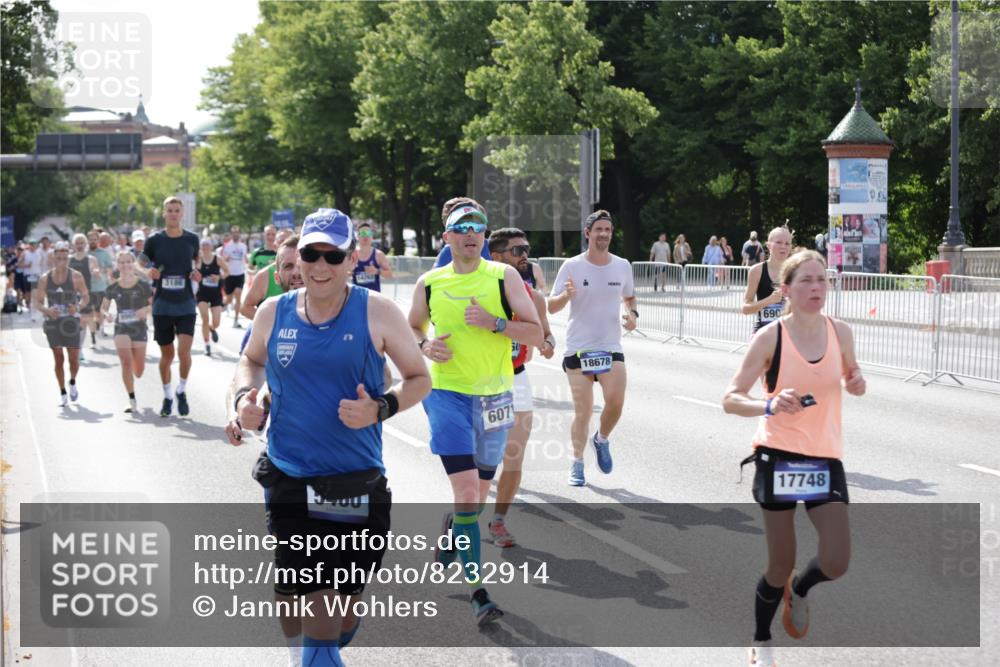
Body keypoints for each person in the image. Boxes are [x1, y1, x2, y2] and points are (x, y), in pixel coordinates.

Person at [225, 208, 430, 667]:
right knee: (294, 593)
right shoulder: (273, 311)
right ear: (298, 255)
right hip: (289, 475)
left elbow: (419, 378)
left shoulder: (378, 312)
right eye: (310, 254)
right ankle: (307, 657)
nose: (319, 267)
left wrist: (380, 408)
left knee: (338, 611)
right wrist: (243, 399)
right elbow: (251, 362)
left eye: (332, 256)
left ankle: (320, 648)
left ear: (352, 257)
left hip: (353, 482)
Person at [722, 249, 866, 667]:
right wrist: (768, 404)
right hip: (778, 456)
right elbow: (730, 399)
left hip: (823, 457)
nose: (816, 287)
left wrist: (856, 382)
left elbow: (851, 376)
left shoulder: (840, 332)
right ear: (786, 289)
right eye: (805, 280)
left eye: (822, 279)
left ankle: (799, 590)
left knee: (837, 561)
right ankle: (761, 640)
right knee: (779, 562)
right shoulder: (770, 338)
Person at [408, 197, 542, 625]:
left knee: (478, 495)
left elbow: (536, 333)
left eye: (477, 227)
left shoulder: (503, 277)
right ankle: (479, 592)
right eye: (462, 227)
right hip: (446, 395)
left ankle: (455, 527)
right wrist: (424, 345)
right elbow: (412, 329)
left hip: (497, 397)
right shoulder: (429, 282)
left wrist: (496, 323)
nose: (470, 233)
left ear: (485, 235)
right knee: (467, 492)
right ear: (446, 236)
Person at [548, 210, 636, 487]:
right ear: (588, 233)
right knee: (583, 412)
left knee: (616, 401)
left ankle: (601, 439)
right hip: (578, 349)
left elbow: (630, 297)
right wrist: (566, 295)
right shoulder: (572, 266)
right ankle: (577, 463)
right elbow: (551, 306)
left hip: (610, 346)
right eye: (598, 229)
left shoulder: (622, 266)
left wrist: (633, 316)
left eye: (608, 230)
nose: (603, 235)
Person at [485, 227, 556, 548]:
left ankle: (498, 521)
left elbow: (546, 333)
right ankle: (461, 516)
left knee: (513, 456)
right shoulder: (480, 290)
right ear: (497, 256)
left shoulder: (533, 296)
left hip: (517, 378)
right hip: (481, 382)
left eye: (526, 248)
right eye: (517, 250)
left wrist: (548, 343)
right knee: (481, 460)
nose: (524, 255)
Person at [139, 196, 202, 418]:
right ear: (164, 213)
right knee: (167, 355)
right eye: (169, 210)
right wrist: (149, 272)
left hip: (185, 303)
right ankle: (167, 396)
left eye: (177, 210)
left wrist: (196, 272)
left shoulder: (192, 239)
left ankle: (181, 390)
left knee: (184, 352)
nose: (173, 214)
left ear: (182, 213)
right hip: (162, 306)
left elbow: (198, 262)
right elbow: (141, 261)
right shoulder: (155, 240)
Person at [34, 242, 89, 406]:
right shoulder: (45, 279)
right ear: (53, 258)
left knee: (73, 360)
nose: (61, 261)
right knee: (58, 360)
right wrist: (48, 311)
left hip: (71, 323)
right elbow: (37, 303)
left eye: (65, 258)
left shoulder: (76, 276)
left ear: (68, 258)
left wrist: (77, 307)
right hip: (53, 324)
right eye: (58, 258)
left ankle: (72, 382)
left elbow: (86, 297)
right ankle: (63, 393)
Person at [101, 251, 153, 413]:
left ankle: (134, 373)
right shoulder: (112, 287)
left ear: (133, 264)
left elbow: (153, 305)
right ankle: (132, 400)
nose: (125, 265)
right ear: (118, 265)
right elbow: (103, 307)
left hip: (139, 328)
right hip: (121, 328)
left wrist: (145, 309)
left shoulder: (143, 285)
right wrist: (107, 315)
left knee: (139, 371)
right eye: (121, 262)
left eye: (128, 262)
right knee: (125, 363)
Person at [742, 227, 793, 335]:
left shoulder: (797, 271)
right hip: (763, 333)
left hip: (789, 335)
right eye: (778, 242)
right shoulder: (756, 271)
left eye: (787, 243)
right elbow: (745, 308)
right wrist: (769, 301)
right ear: (768, 245)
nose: (783, 246)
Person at [196, 238, 229, 357]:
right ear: (200, 247)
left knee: (216, 322)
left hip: (215, 294)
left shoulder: (217, 259)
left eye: (207, 245)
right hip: (202, 293)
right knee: (204, 318)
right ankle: (207, 345)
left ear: (211, 247)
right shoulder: (198, 260)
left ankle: (211, 328)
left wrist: (219, 277)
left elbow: (227, 271)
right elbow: (192, 273)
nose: (205, 248)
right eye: (203, 246)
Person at [68, 234, 100, 356]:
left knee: (84, 319)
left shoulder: (91, 259)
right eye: (77, 243)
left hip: (86, 293)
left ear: (85, 244)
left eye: (82, 243)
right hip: (72, 294)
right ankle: (78, 346)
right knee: (75, 320)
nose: (80, 245)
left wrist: (96, 273)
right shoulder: (70, 259)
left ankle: (79, 348)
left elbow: (95, 273)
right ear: (74, 244)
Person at [87, 229, 115, 340]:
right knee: (91, 311)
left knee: (100, 311)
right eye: (90, 240)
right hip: (87, 288)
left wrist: (103, 271)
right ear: (87, 241)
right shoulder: (84, 254)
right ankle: (93, 334)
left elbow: (110, 268)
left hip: (101, 286)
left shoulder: (104, 253)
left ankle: (100, 327)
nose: (93, 242)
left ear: (98, 240)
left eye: (95, 239)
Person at [351, 222, 394, 292]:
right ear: (357, 237)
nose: (365, 236)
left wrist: (377, 271)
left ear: (372, 237)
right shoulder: (352, 255)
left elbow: (390, 275)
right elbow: (343, 273)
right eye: (362, 233)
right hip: (356, 297)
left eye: (368, 233)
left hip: (373, 298)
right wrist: (348, 273)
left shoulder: (379, 255)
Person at [221, 225, 248, 328]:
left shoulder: (243, 246)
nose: (235, 234)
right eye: (233, 233)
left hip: (240, 274)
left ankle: (236, 320)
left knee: (238, 294)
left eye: (237, 232)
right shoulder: (227, 246)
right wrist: (227, 258)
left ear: (239, 234)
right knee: (229, 299)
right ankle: (225, 304)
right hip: (230, 275)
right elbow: (223, 260)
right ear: (231, 234)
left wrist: (249, 265)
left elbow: (245, 259)